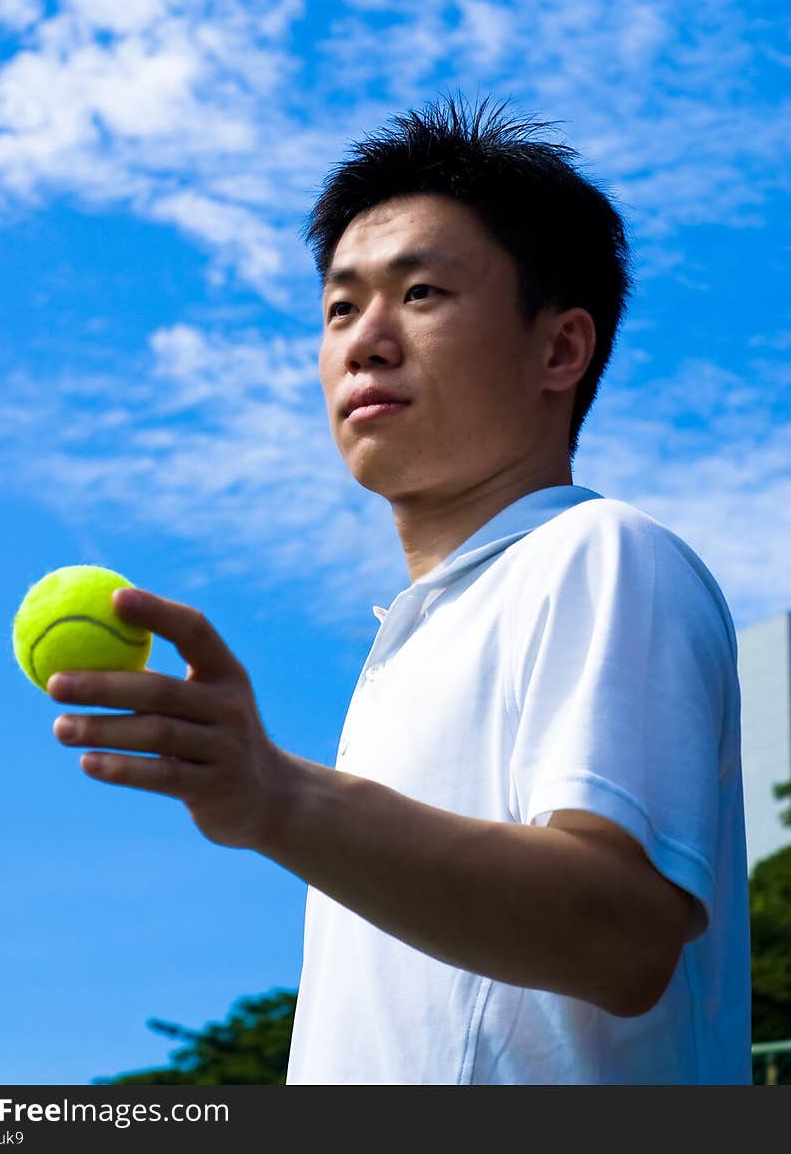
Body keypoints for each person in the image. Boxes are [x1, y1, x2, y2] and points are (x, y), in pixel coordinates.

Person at [48, 94, 752, 1085]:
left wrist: (275, 796)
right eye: (340, 306)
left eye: (420, 293)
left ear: (559, 348)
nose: (365, 339)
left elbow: (619, 934)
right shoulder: (406, 646)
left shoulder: (599, 552)